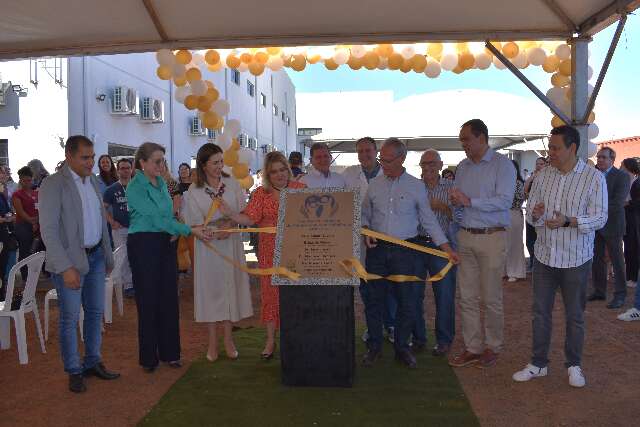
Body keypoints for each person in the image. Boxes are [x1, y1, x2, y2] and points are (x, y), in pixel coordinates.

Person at [513, 125, 607, 388]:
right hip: (544, 256)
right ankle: (538, 364)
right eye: (550, 147)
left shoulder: (593, 178)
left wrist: (570, 221)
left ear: (572, 148)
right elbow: (532, 213)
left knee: (575, 315)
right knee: (540, 313)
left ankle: (574, 365)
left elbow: (601, 217)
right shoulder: (543, 177)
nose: (550, 152)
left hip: (576, 258)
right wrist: (537, 213)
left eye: (555, 148)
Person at [361, 138, 458, 369]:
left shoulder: (415, 186)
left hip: (407, 251)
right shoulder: (374, 184)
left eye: (387, 160)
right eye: (380, 159)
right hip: (377, 251)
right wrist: (365, 231)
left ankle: (402, 348)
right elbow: (364, 214)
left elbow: (429, 221)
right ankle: (374, 347)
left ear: (402, 159)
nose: (382, 163)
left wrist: (448, 250)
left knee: (408, 301)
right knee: (374, 301)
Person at [39, 135, 119, 393]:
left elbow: (101, 221)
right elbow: (48, 231)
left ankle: (92, 361)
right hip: (70, 262)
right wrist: (64, 267)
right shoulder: (53, 184)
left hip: (95, 257)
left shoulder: (93, 182)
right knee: (70, 318)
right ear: (69, 156)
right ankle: (74, 369)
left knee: (95, 313)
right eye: (85, 157)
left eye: (92, 157)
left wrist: (107, 256)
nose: (91, 162)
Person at [126, 142, 210, 372]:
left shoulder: (162, 183)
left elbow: (168, 214)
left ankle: (171, 353)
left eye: (163, 160)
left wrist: (176, 230)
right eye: (156, 161)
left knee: (168, 298)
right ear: (142, 163)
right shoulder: (134, 187)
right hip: (143, 244)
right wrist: (187, 230)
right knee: (148, 300)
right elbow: (155, 218)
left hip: (165, 242)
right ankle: (149, 359)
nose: (161, 165)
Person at [219, 151, 305, 360]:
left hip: (298, 250)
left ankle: (295, 338)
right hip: (269, 251)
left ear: (288, 169)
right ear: (267, 174)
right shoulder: (260, 194)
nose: (280, 175)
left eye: (283, 169)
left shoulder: (301, 190)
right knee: (271, 295)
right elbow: (249, 219)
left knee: (296, 294)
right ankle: (270, 339)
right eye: (274, 171)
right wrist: (230, 213)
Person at [448, 119, 516, 369]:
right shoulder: (463, 167)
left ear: (481, 138)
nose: (463, 144)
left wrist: (469, 201)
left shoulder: (503, 165)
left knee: (491, 297)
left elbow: (505, 201)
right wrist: (457, 201)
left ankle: (492, 346)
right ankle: (473, 347)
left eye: (466, 139)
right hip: (465, 235)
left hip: (492, 236)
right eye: (462, 140)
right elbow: (461, 199)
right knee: (466, 296)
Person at [183, 144, 253, 362]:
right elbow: (192, 222)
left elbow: (242, 211)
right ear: (203, 165)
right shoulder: (193, 191)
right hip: (208, 247)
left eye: (221, 161)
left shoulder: (231, 184)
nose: (219, 166)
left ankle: (228, 340)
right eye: (214, 162)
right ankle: (212, 342)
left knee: (230, 288)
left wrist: (230, 224)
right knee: (212, 292)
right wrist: (212, 231)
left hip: (230, 243)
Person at [341, 137, 391, 344]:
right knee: (366, 286)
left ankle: (391, 326)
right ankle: (373, 329)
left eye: (367, 150)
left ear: (376, 151)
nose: (364, 155)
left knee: (388, 285)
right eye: (360, 151)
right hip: (358, 238)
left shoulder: (388, 172)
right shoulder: (349, 174)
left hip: (386, 238)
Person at [416, 149, 460, 356]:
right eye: (424, 164)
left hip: (442, 248)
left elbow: (462, 219)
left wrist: (444, 207)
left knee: (444, 295)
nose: (428, 168)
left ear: (441, 165)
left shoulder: (452, 188)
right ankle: (418, 337)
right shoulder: (415, 188)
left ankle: (444, 340)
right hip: (415, 246)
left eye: (432, 164)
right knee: (413, 294)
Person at [589, 147, 630, 309]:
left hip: (613, 224)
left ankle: (620, 294)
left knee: (617, 260)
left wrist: (596, 212)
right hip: (596, 225)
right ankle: (599, 291)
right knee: (597, 259)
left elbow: (618, 201)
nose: (600, 160)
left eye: (603, 157)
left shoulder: (622, 176)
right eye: (598, 157)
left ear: (612, 160)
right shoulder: (593, 176)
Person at [103, 158, 134, 298]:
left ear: (132, 169)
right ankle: (127, 286)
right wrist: (111, 222)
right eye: (122, 168)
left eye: (128, 167)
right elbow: (102, 209)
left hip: (137, 228)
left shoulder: (138, 187)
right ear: (118, 169)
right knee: (123, 257)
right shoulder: (111, 189)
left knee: (135, 256)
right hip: (119, 229)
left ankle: (134, 283)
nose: (125, 170)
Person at [12, 166, 40, 282]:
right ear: (20, 180)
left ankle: (34, 275)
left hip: (36, 226)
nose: (27, 183)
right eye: (24, 180)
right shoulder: (17, 194)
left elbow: (40, 208)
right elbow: (20, 211)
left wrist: (37, 221)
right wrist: (32, 221)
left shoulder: (36, 193)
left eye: (29, 180)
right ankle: (25, 276)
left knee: (35, 252)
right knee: (24, 252)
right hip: (23, 226)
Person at [524, 157, 548, 271]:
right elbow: (525, 190)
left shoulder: (548, 178)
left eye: (541, 164)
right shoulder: (533, 176)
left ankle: (538, 263)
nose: (539, 166)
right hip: (530, 213)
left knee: (540, 239)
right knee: (529, 241)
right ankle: (533, 261)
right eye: (537, 163)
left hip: (542, 213)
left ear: (546, 165)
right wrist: (532, 177)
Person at [505, 160, 527, 282]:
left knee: (514, 244)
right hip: (502, 215)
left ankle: (515, 272)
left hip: (513, 213)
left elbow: (519, 198)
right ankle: (505, 270)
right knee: (503, 244)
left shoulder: (518, 183)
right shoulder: (502, 182)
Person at [621, 158, 640, 289]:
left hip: (633, 218)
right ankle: (630, 276)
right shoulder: (626, 180)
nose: (620, 167)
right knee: (628, 247)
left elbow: (636, 201)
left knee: (632, 247)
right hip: (627, 217)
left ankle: (633, 278)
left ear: (628, 167)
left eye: (622, 166)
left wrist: (628, 203)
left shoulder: (635, 181)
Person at [0, 187, 16, 301]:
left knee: (2, 268)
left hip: (4, 235)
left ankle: (1, 298)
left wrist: (9, 217)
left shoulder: (1, 196)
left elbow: (6, 212)